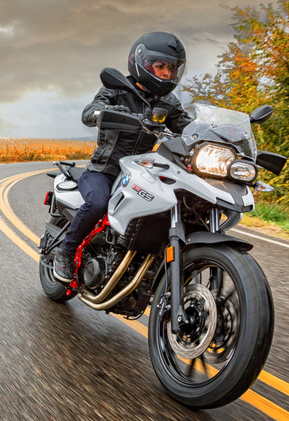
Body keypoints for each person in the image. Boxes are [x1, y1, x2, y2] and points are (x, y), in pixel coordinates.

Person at [53, 31, 193, 283]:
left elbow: (187, 126)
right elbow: (90, 111)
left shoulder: (168, 102)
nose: (166, 74)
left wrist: (210, 133)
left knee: (167, 207)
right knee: (97, 202)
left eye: (172, 68)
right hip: (103, 171)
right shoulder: (117, 88)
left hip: (140, 173)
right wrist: (105, 113)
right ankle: (66, 251)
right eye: (160, 66)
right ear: (142, 63)